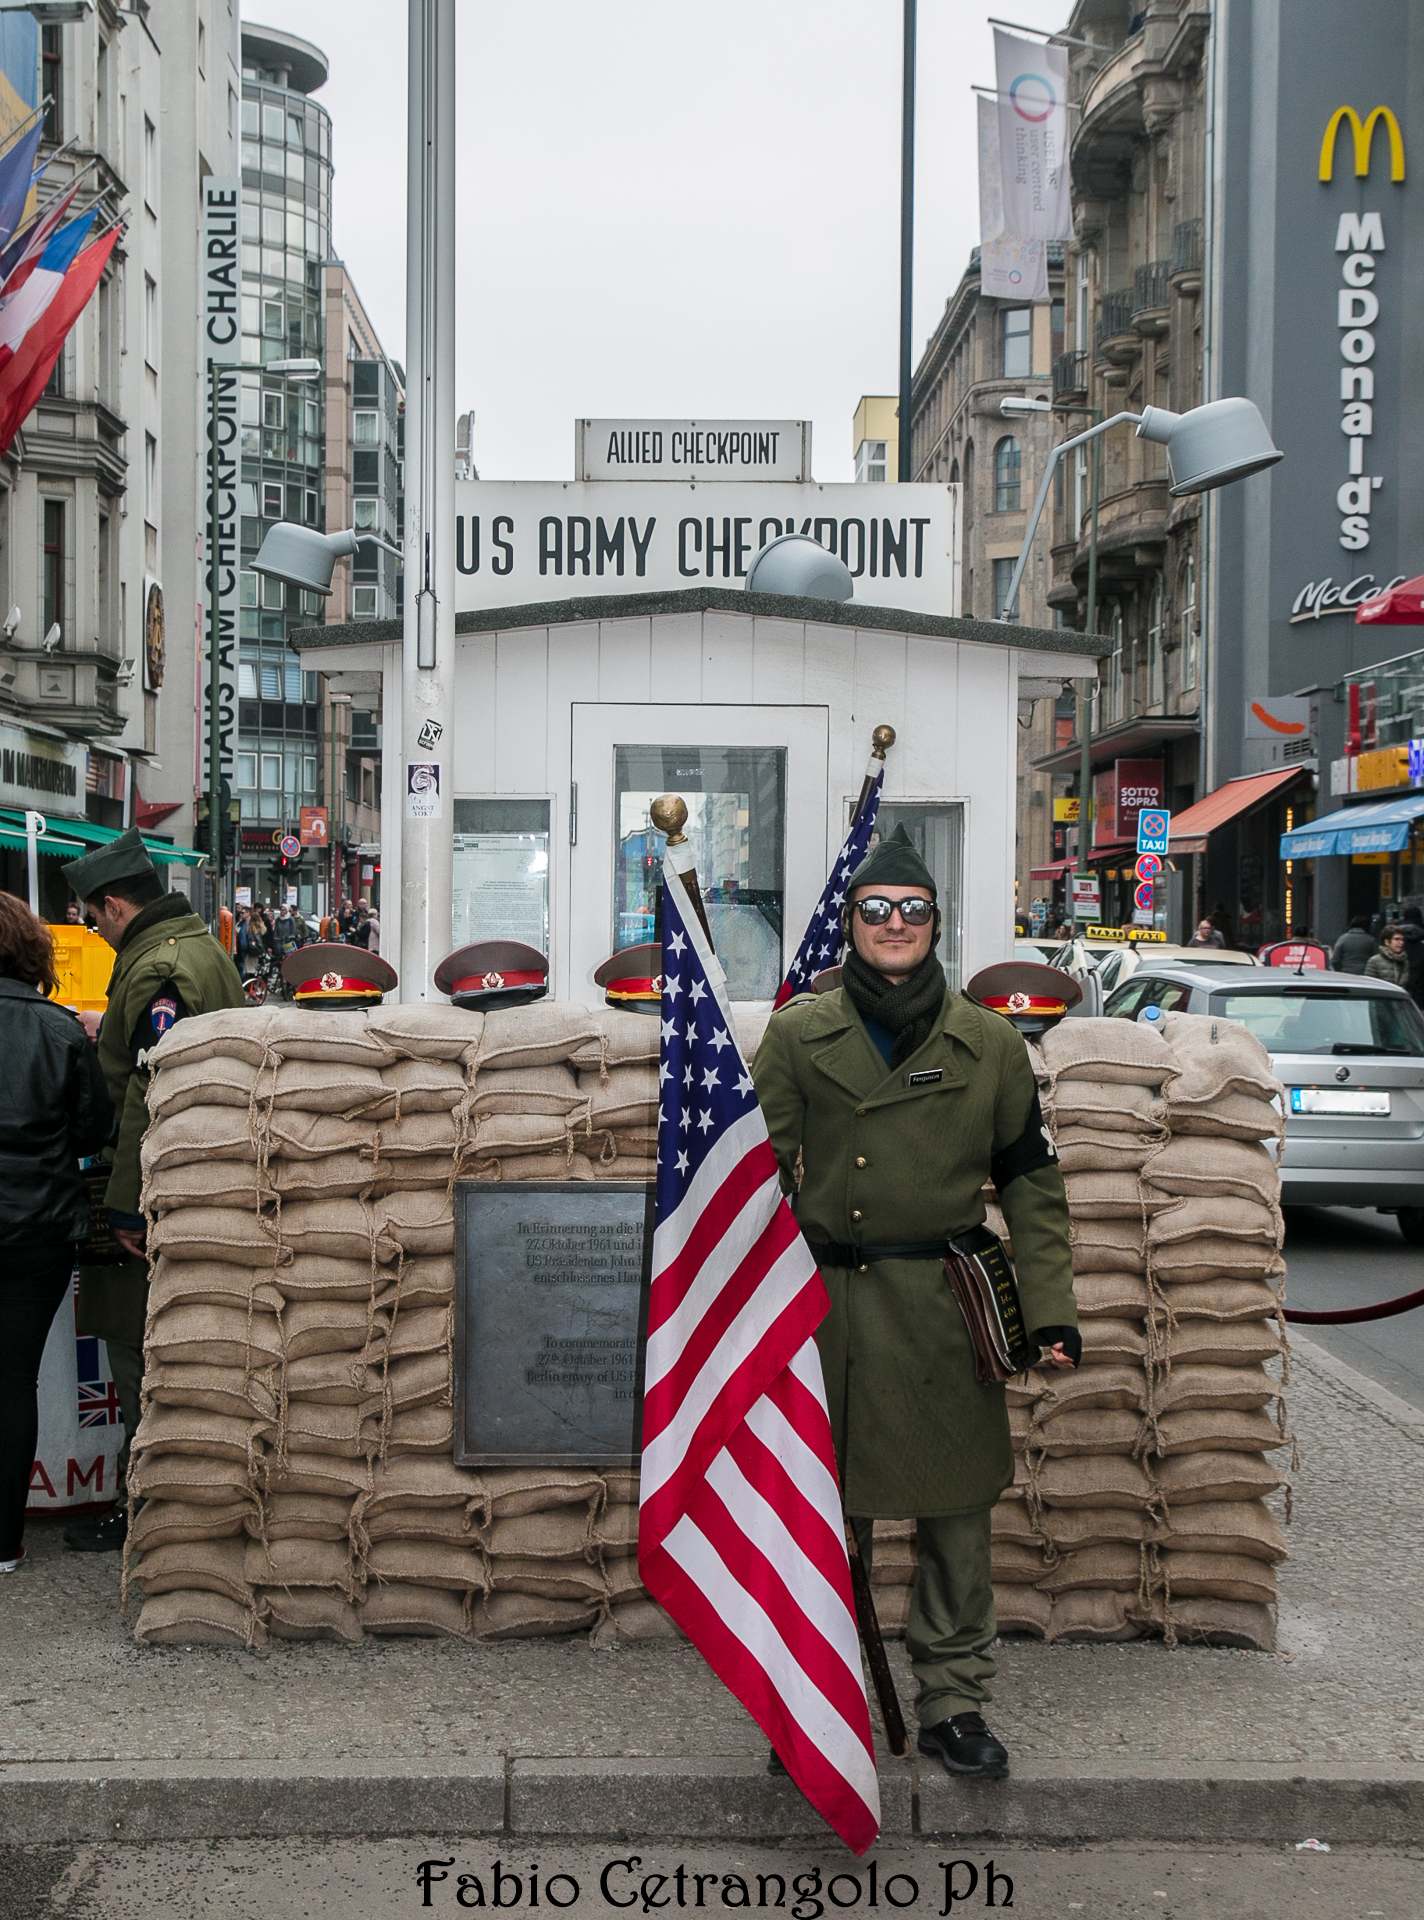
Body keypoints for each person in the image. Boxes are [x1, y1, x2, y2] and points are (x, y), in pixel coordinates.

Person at [752, 824, 1078, 1782]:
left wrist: (1051, 1313)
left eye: (913, 911)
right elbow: (755, 1170)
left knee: (955, 1514)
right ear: (850, 925)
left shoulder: (987, 1044)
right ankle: (815, 1697)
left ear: (938, 924)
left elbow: (1031, 1186)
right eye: (875, 911)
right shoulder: (797, 1033)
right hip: (831, 1304)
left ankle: (954, 1701)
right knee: (820, 1514)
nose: (894, 925)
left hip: (944, 1302)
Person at [59, 830, 245, 1552]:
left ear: (112, 905)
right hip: (200, 1174)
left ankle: (147, 1507)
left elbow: (150, 1083)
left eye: (91, 917)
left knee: (142, 1348)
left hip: (155, 1181)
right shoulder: (195, 947)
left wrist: (127, 1202)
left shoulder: (156, 966)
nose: (92, 930)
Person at [0, 896, 114, 1574]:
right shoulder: (61, 1028)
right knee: (12, 1382)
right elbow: (92, 1131)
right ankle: (4, 1545)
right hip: (37, 1229)